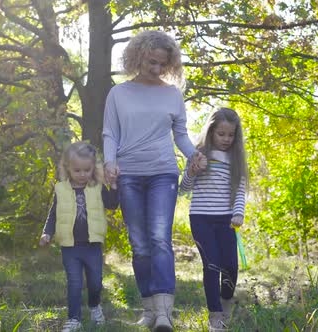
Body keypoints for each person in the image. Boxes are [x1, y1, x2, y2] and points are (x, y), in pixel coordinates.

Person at [102, 30, 205, 332]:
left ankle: (164, 314)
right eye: (151, 62)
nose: (157, 69)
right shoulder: (118, 94)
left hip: (163, 172)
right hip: (129, 174)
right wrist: (110, 162)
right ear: (137, 57)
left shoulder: (172, 94)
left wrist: (193, 157)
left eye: (162, 64)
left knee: (160, 239)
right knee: (139, 245)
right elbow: (110, 133)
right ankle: (148, 308)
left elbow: (181, 136)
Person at [179, 107, 248, 332]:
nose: (226, 139)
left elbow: (240, 190)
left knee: (230, 266)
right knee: (212, 264)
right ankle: (215, 316)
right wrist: (192, 171)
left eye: (231, 135)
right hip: (200, 218)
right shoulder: (199, 153)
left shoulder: (235, 159)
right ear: (211, 132)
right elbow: (184, 188)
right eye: (221, 134)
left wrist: (238, 213)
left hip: (226, 219)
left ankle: (226, 307)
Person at [39, 141, 119, 332]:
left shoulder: (97, 187)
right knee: (74, 283)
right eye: (77, 170)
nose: (83, 174)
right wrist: (46, 232)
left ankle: (94, 306)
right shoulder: (61, 189)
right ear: (68, 169)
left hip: (92, 247)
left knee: (95, 282)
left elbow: (112, 205)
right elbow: (53, 213)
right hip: (70, 247)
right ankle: (74, 318)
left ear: (93, 168)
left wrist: (114, 185)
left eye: (87, 170)